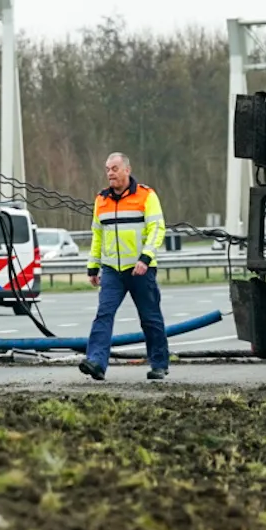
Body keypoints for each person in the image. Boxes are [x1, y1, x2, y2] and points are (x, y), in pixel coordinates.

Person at [80, 152, 170, 382]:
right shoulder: (101, 200)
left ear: (127, 170)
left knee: (150, 318)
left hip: (141, 269)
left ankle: (159, 364)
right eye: (108, 169)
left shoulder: (146, 196)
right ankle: (96, 362)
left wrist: (146, 258)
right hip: (112, 270)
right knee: (104, 314)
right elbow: (97, 236)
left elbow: (157, 229)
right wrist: (93, 267)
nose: (110, 173)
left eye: (115, 168)